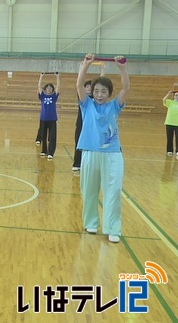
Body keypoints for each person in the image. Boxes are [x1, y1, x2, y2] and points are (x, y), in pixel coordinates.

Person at [76, 54, 130, 244]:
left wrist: (122, 68)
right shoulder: (86, 105)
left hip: (113, 155)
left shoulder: (115, 106)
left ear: (109, 93)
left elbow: (126, 88)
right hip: (90, 153)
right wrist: (86, 65)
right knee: (89, 190)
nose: (99, 94)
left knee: (113, 191)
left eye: (103, 91)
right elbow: (79, 84)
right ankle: (91, 222)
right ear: (92, 92)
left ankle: (112, 227)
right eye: (97, 91)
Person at [73, 65, 106, 171]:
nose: (87, 88)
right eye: (86, 86)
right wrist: (82, 68)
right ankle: (77, 164)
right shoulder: (83, 98)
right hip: (81, 123)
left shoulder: (96, 99)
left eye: (89, 87)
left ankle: (90, 165)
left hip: (93, 125)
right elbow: (79, 82)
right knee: (79, 143)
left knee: (93, 144)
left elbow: (101, 83)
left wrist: (103, 70)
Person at [37, 72, 60, 160]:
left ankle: (51, 152)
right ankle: (44, 151)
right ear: (45, 89)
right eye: (47, 88)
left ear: (52, 89)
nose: (49, 89)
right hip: (43, 119)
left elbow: (58, 87)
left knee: (52, 136)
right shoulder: (42, 96)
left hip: (52, 119)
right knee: (43, 136)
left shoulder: (54, 96)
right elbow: (39, 87)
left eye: (50, 88)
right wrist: (41, 76)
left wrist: (57, 77)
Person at [162, 90, 178, 158]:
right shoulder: (170, 102)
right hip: (169, 123)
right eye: (176, 95)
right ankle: (169, 150)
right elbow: (164, 100)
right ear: (174, 96)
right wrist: (168, 93)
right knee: (169, 137)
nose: (177, 96)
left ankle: (177, 151)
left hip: (177, 124)